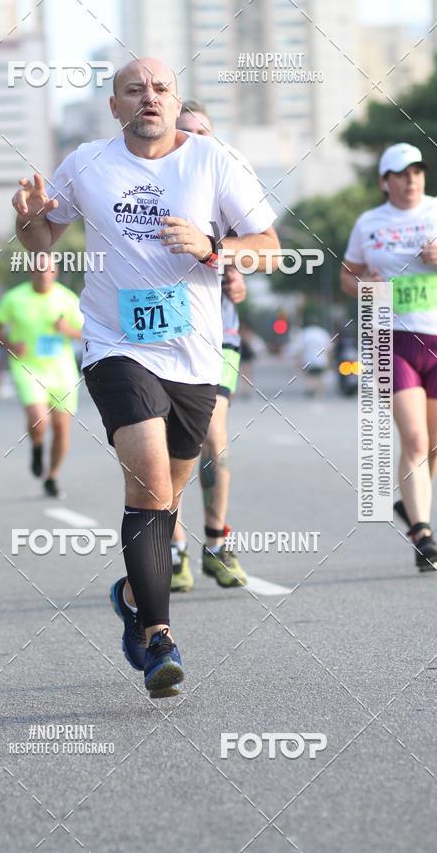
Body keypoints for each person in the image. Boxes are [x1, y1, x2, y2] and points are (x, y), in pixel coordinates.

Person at [12, 57, 280, 698]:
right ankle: (159, 636)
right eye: (135, 90)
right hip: (115, 344)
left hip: (194, 355)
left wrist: (213, 248)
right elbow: (41, 246)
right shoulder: (86, 163)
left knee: (169, 494)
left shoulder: (214, 161)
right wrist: (26, 218)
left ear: (176, 97)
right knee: (150, 483)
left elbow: (267, 246)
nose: (149, 98)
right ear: (115, 107)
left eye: (160, 88)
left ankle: (133, 592)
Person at [341, 142, 437, 572]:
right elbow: (347, 275)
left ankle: (413, 510)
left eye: (417, 171)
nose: (411, 179)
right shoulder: (369, 223)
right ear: (384, 181)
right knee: (413, 440)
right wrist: (363, 286)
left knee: (434, 444)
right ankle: (423, 532)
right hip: (391, 338)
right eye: (401, 173)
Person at [170, 100, 249, 591]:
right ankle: (174, 549)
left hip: (219, 332)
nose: (194, 140)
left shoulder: (225, 184)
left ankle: (217, 543)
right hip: (161, 333)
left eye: (202, 132)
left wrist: (236, 272)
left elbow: (257, 244)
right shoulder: (150, 185)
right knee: (166, 447)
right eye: (185, 133)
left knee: (212, 438)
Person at [0, 254, 83, 498]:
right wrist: (10, 345)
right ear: (30, 272)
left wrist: (68, 330)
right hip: (28, 366)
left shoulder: (67, 298)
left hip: (61, 368)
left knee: (61, 428)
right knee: (39, 420)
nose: (43, 274)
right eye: (38, 270)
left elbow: (87, 332)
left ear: (54, 272)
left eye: (48, 270)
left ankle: (52, 476)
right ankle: (36, 446)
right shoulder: (14, 298)